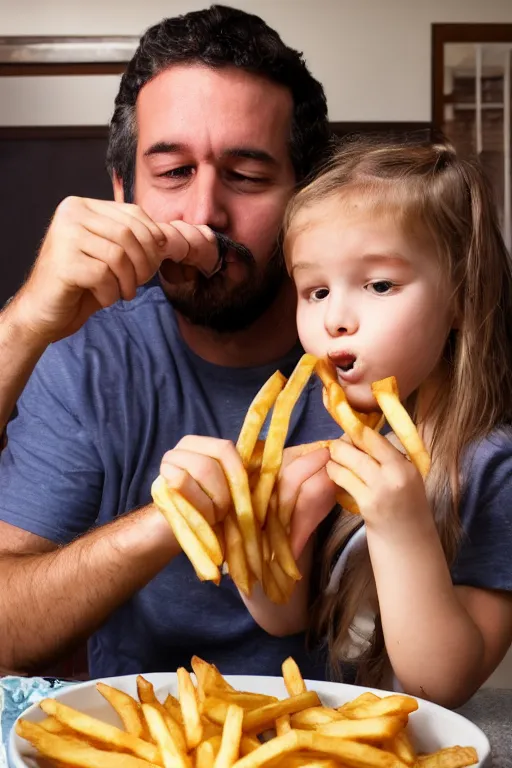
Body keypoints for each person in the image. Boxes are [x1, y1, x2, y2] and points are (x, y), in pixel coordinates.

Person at [0, 5, 341, 678]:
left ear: (308, 193)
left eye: (246, 175)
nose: (204, 213)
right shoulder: (83, 354)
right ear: (123, 190)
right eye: (173, 173)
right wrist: (25, 324)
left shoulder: (390, 355)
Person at [244, 138, 512, 708]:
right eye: (315, 290)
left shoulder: (495, 467)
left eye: (380, 285)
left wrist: (402, 525)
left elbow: (441, 684)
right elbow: (285, 620)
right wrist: (263, 537)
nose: (336, 319)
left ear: (461, 297)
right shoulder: (333, 429)